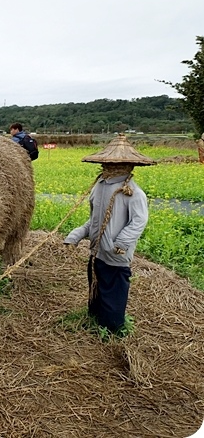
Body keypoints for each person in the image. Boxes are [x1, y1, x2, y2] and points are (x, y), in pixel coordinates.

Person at [63, 134, 155, 333]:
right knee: (95, 291)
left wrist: (119, 244)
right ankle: (96, 322)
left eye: (117, 163)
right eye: (109, 163)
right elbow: (95, 221)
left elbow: (139, 221)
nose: (111, 166)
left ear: (129, 165)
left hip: (115, 256)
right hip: (96, 254)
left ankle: (113, 332)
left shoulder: (132, 192)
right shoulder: (99, 188)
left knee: (113, 295)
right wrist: (76, 235)